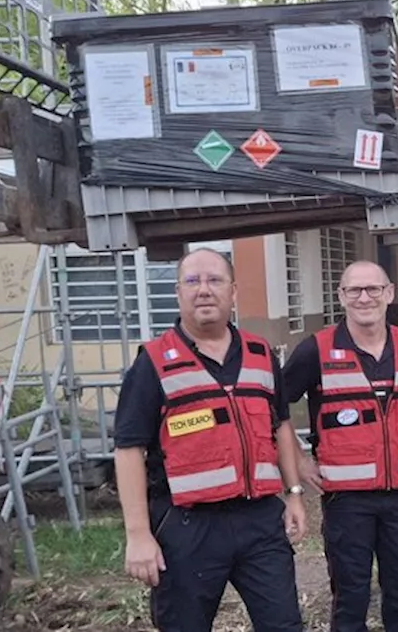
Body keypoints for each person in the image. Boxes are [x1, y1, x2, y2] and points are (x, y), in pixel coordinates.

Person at [112, 247, 308, 632]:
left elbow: (281, 424)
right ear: (178, 292)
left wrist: (295, 492)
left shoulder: (261, 354)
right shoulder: (153, 362)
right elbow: (129, 449)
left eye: (215, 280)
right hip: (188, 526)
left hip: (259, 521)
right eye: (192, 281)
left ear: (233, 292)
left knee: (284, 625)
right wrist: (138, 535)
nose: (204, 290)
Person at [282, 259, 398, 632]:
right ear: (341, 296)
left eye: (372, 289)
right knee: (350, 597)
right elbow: (273, 407)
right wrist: (299, 461)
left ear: (388, 294)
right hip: (346, 501)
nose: (364, 297)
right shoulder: (315, 350)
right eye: (354, 290)